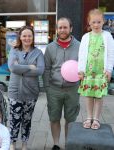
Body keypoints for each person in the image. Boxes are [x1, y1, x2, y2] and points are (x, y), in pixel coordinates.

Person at [43, 17, 80, 150]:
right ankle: (56, 144)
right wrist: (47, 87)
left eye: (65, 27)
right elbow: (46, 69)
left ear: (71, 29)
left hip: (73, 89)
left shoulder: (80, 46)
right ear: (57, 29)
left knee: (71, 119)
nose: (63, 30)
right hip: (54, 89)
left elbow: (84, 67)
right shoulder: (50, 47)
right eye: (60, 27)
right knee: (54, 118)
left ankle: (68, 144)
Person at [8, 26, 45, 150]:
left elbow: (40, 70)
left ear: (33, 37)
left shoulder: (38, 52)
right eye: (24, 35)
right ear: (20, 37)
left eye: (29, 35)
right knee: (14, 119)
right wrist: (30, 66)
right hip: (15, 92)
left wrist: (21, 68)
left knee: (27, 120)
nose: (27, 38)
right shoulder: (14, 50)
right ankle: (12, 143)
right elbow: (12, 68)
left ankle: (24, 143)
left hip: (31, 92)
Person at [78, 9, 114, 130]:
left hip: (101, 73)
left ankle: (96, 118)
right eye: (93, 22)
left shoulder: (107, 36)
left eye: (99, 22)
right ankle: (89, 117)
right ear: (89, 22)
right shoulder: (85, 37)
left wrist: (109, 69)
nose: (96, 24)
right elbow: (81, 54)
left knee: (98, 96)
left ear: (103, 21)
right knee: (88, 95)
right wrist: (81, 70)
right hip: (88, 72)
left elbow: (111, 54)